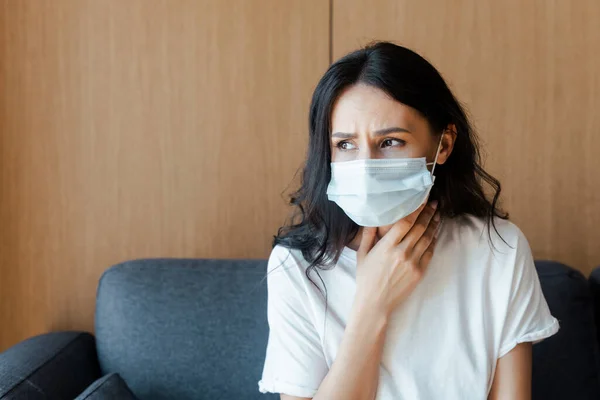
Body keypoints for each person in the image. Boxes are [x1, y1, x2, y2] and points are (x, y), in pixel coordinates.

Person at [257, 41, 559, 400]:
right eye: (346, 145)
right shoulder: (296, 267)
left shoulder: (499, 249)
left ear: (443, 145)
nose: (365, 165)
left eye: (389, 142)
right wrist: (372, 303)